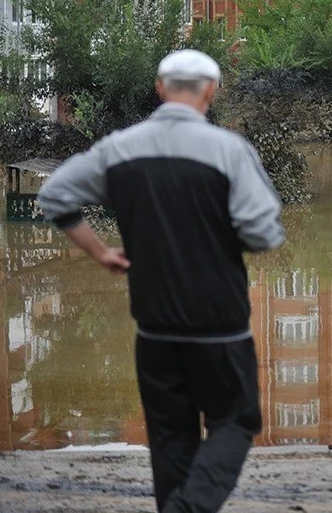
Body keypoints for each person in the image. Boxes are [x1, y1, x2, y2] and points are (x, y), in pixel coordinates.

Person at [37, 50, 285, 513]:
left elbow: (55, 196)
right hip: (221, 322)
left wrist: (100, 252)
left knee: (170, 436)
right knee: (236, 419)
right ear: (211, 91)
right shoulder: (230, 151)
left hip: (153, 321)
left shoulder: (119, 148)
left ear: (159, 88)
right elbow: (264, 234)